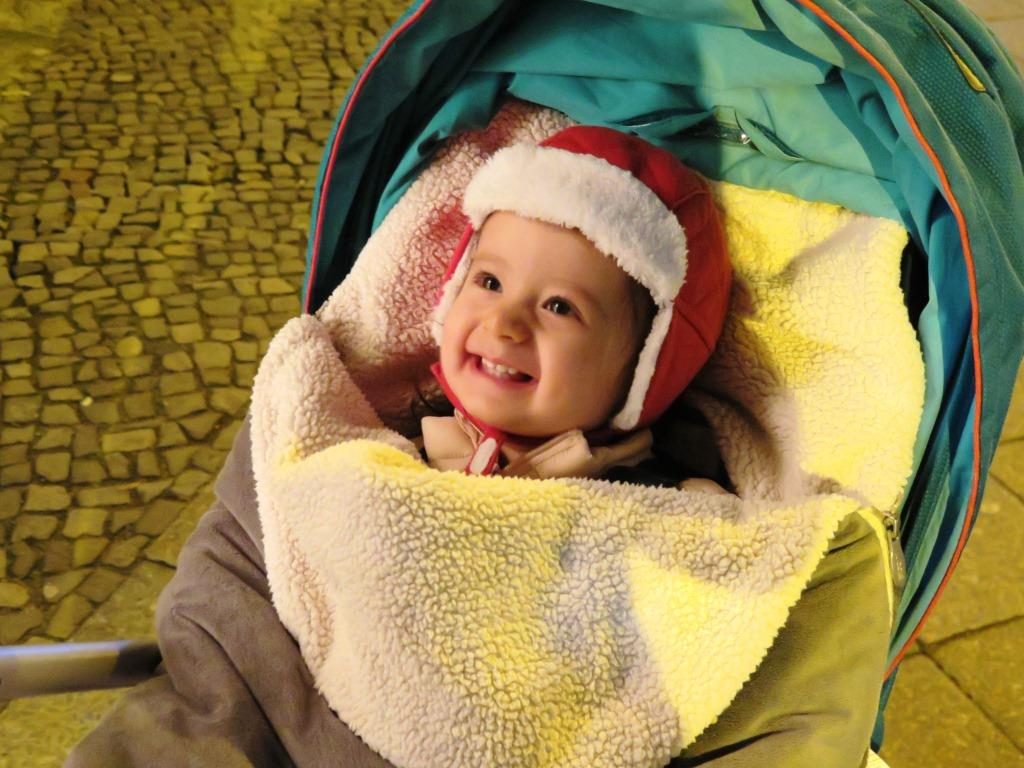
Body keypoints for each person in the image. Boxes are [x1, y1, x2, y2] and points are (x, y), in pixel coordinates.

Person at [67, 126, 891, 768]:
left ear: (643, 368)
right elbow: (250, 583)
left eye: (560, 307)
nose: (505, 321)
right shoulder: (376, 440)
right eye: (489, 281)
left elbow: (732, 651)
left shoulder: (676, 511)